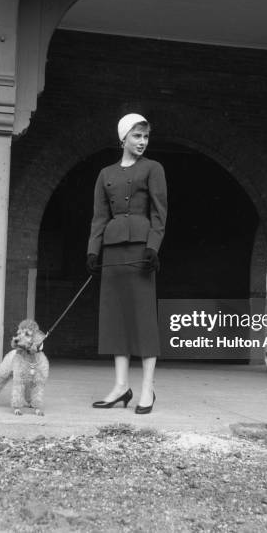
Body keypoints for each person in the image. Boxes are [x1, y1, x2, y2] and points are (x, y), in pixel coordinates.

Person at [86, 113, 167, 414]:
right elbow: (99, 217)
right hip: (113, 252)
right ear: (123, 138)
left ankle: (148, 388)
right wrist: (93, 251)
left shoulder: (153, 169)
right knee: (116, 317)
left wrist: (153, 248)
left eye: (145, 137)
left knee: (143, 317)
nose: (142, 142)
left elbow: (160, 213)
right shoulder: (105, 173)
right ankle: (121, 387)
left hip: (141, 252)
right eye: (136, 136)